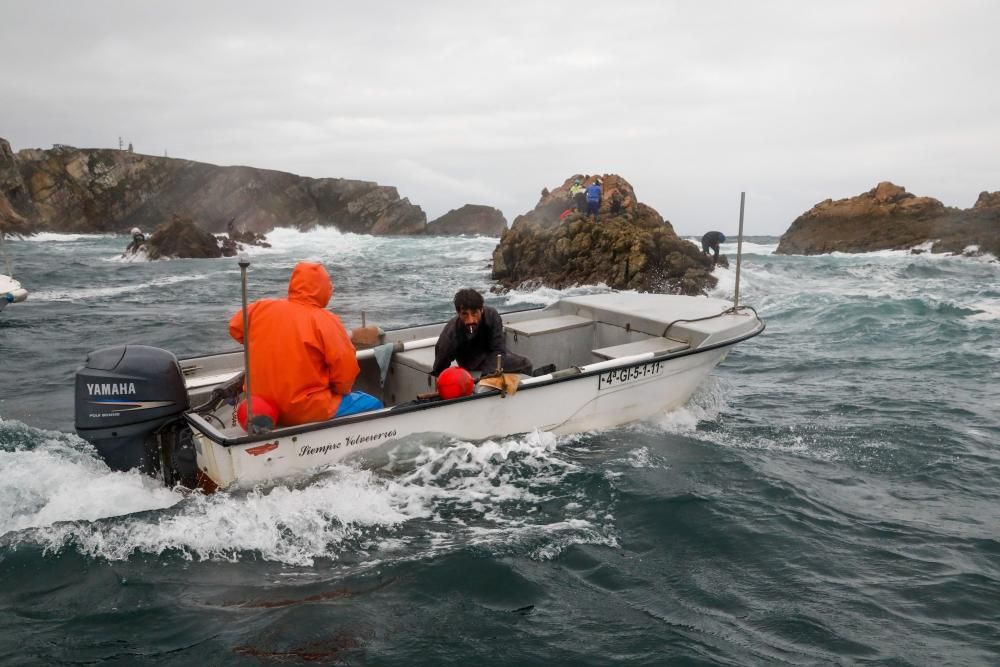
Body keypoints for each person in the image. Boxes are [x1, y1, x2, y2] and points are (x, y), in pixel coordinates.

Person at [228, 261, 382, 426]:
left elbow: (235, 328)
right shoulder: (326, 320)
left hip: (262, 405)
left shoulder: (259, 309)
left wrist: (263, 343)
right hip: (304, 408)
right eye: (329, 284)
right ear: (323, 289)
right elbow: (345, 372)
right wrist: (340, 391)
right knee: (373, 404)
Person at [432, 288, 532, 377]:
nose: (470, 320)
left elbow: (498, 349)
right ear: (458, 313)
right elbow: (439, 367)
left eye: (474, 313)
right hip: (470, 363)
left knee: (526, 363)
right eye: (464, 314)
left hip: (493, 354)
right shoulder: (451, 333)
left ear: (481, 310)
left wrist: (487, 375)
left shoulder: (492, 315)